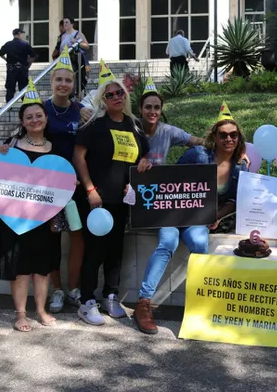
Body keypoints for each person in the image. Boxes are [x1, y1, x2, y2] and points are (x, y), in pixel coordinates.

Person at [133, 98, 245, 335]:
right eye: (223, 134)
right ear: (215, 136)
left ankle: (199, 305)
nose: (228, 139)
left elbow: (234, 200)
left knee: (199, 242)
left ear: (239, 138)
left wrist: (217, 216)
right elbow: (173, 177)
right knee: (168, 242)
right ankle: (144, 303)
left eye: (233, 135)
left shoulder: (239, 168)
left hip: (199, 218)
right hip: (173, 213)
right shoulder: (198, 154)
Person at [74, 64, 149, 325]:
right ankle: (86, 301)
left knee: (116, 252)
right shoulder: (94, 124)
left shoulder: (134, 125)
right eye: (110, 94)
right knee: (94, 251)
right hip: (96, 201)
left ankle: (111, 295)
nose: (117, 97)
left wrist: (143, 166)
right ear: (102, 100)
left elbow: (141, 157)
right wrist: (90, 189)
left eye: (120, 93)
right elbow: (79, 157)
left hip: (121, 200)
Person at [0, 88, 61, 331]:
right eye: (29, 117)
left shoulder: (56, 148)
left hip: (44, 218)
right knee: (20, 268)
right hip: (15, 217)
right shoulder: (10, 147)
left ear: (46, 118)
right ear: (23, 122)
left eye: (39, 115)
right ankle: (21, 314)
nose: (35, 120)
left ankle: (41, 310)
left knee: (41, 269)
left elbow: (60, 180)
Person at [44, 52, 86, 313]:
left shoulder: (81, 111)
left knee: (78, 236)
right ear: (52, 81)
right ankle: (57, 290)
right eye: (59, 79)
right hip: (48, 185)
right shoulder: (42, 109)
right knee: (52, 239)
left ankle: (74, 289)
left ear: (73, 84)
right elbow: (23, 138)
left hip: (76, 186)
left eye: (68, 80)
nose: (63, 84)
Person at [0, 28, 36, 102]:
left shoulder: (8, 44)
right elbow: (33, 56)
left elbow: (0, 53)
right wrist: (28, 65)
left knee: (10, 88)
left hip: (11, 68)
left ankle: (8, 107)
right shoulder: (25, 44)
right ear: (19, 34)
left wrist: (7, 60)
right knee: (23, 88)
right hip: (22, 69)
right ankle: (25, 105)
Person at [57, 17, 90, 94]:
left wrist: (76, 42)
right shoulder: (63, 36)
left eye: (67, 22)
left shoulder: (77, 33)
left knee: (75, 77)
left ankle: (75, 92)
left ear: (72, 24)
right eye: (64, 23)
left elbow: (86, 45)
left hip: (75, 60)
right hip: (65, 60)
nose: (65, 24)